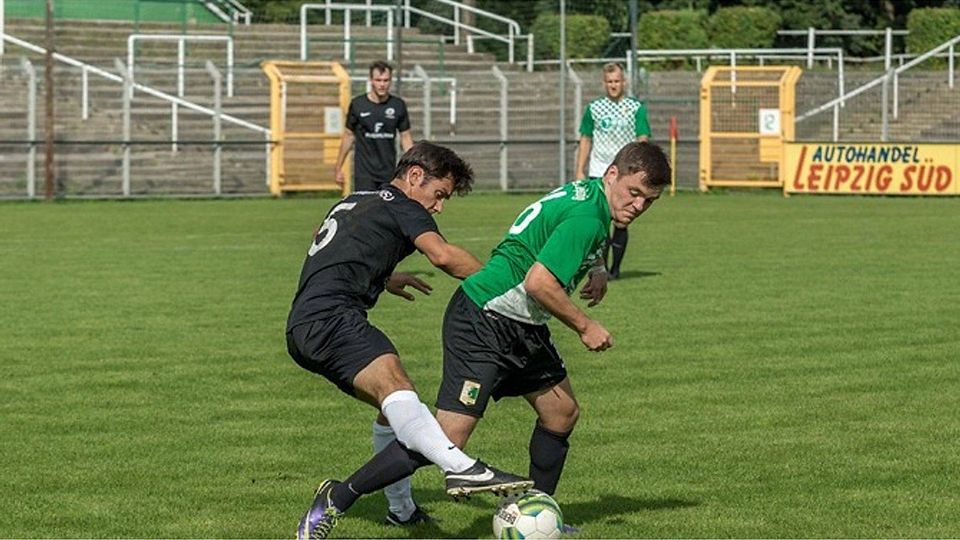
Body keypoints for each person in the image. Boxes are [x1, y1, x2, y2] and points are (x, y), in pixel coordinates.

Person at [287, 141, 532, 540]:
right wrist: (504, 284)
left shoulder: (358, 198)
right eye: (439, 195)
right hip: (332, 319)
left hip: (304, 324)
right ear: (415, 176)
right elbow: (443, 256)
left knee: (394, 410)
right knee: (398, 387)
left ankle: (401, 511)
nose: (438, 207)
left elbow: (330, 244)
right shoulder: (404, 205)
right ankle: (463, 468)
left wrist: (381, 276)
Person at [434, 142, 671, 531]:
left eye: (650, 200)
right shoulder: (589, 218)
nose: (639, 206)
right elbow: (539, 283)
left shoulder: (590, 195)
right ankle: (341, 497)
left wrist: (595, 267)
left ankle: (539, 517)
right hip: (485, 316)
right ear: (612, 174)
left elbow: (564, 234)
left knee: (561, 413)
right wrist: (585, 325)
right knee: (445, 443)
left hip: (521, 324)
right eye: (634, 193)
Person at [575, 62, 652, 279]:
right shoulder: (594, 108)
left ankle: (615, 269)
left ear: (624, 82)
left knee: (621, 220)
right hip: (600, 170)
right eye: (609, 82)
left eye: (617, 81)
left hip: (625, 172)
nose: (613, 85)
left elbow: (643, 138)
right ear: (604, 83)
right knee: (600, 221)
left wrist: (642, 167)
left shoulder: (636, 108)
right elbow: (586, 138)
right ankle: (601, 268)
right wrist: (580, 169)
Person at [334, 60, 414, 192]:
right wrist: (338, 167)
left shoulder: (398, 105)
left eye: (386, 80)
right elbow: (348, 136)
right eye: (378, 80)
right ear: (371, 80)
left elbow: (405, 137)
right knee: (367, 210)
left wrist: (414, 164)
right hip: (365, 173)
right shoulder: (358, 104)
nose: (382, 84)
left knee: (387, 211)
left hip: (389, 172)